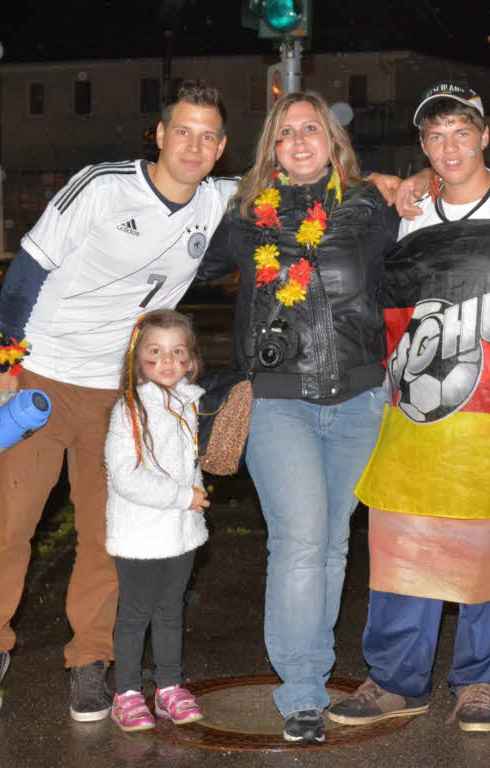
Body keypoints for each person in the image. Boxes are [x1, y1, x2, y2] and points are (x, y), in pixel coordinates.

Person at [0, 80, 233, 723]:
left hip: (118, 395)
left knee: (106, 535)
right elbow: (29, 266)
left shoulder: (220, 202)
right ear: (160, 135)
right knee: (10, 525)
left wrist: (395, 184)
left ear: (220, 149)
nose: (192, 146)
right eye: (182, 131)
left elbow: (302, 179)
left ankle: (90, 663)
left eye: (207, 136)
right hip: (41, 383)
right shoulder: (103, 186)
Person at [327, 83, 490, 733]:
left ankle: (479, 681)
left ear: (484, 136)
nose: (449, 147)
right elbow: (325, 188)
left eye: (461, 132)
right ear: (422, 145)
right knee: (402, 546)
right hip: (416, 415)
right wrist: (384, 178)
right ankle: (396, 680)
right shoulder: (406, 210)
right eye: (434, 136)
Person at [196, 90, 397, 745]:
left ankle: (310, 671)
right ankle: (304, 691)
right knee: (302, 542)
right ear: (272, 150)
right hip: (280, 400)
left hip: (362, 399)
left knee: (333, 545)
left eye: (311, 129)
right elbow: (178, 261)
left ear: (333, 142)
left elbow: (430, 239)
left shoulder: (371, 207)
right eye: (286, 134)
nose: (300, 140)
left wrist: (410, 183)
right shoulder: (246, 218)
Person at [104, 310, 210, 732]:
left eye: (177, 352)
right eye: (155, 352)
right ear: (137, 360)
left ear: (191, 360)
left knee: (170, 611)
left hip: (181, 535)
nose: (167, 362)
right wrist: (185, 497)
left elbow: (188, 465)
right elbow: (125, 476)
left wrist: (195, 495)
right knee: (135, 614)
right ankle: (126, 693)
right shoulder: (128, 410)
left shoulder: (190, 400)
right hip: (141, 536)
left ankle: (169, 688)